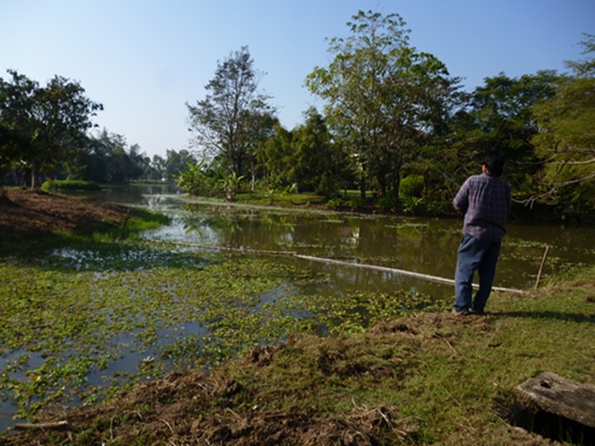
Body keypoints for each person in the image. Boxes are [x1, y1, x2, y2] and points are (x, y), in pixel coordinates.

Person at [452, 152, 511, 315]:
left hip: (474, 234)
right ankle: (478, 307)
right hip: (495, 236)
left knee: (464, 271)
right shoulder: (506, 187)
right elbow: (507, 210)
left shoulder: (473, 181)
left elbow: (457, 203)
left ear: (485, 167)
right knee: (487, 274)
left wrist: (467, 210)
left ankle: (461, 308)